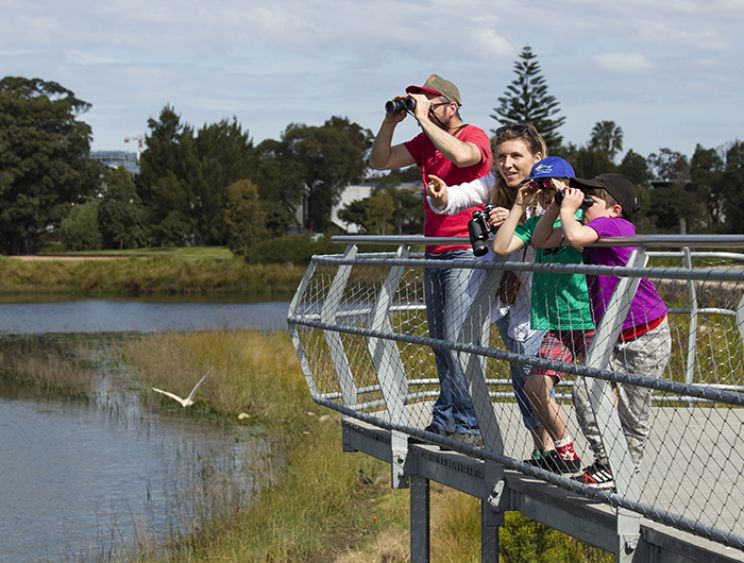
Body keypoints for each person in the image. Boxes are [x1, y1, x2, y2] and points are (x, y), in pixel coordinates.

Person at [369, 74, 492, 442]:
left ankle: (470, 423)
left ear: (451, 108)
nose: (423, 107)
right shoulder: (424, 142)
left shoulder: (475, 135)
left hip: (465, 250)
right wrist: (391, 121)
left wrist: (422, 118)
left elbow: (462, 156)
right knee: (440, 341)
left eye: (431, 102)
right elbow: (380, 161)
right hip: (434, 250)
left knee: (458, 340)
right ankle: (446, 419)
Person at [426, 125, 556, 461]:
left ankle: (559, 448)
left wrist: (515, 215)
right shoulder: (494, 186)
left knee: (532, 374)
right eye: (501, 157)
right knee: (519, 374)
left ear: (537, 158)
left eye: (516, 156)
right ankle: (545, 450)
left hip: (540, 300)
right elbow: (461, 196)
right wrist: (441, 196)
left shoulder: (549, 191)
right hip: (508, 296)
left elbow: (547, 227)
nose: (508, 164)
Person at [558, 174, 671, 490]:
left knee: (633, 414)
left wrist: (568, 210)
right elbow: (546, 240)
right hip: (614, 336)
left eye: (590, 202)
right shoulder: (597, 229)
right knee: (585, 392)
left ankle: (624, 471)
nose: (583, 206)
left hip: (645, 336)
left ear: (615, 209)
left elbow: (576, 236)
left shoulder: (616, 227)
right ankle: (608, 463)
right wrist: (559, 207)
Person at [491, 157, 594, 474]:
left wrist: (566, 202)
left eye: (553, 188)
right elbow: (502, 245)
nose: (548, 195)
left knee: (595, 394)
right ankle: (564, 452)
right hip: (557, 324)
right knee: (535, 388)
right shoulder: (539, 221)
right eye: (542, 190)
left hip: (589, 319)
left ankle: (609, 457)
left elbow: (570, 236)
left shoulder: (584, 218)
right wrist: (521, 206)